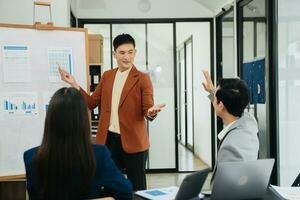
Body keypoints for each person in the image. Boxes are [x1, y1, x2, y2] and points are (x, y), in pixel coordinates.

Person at [58, 33, 165, 190]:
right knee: (109, 186)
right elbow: (91, 102)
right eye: (122, 53)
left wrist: (151, 112)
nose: (126, 57)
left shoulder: (142, 78)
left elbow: (147, 109)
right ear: (114, 54)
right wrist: (73, 83)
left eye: (130, 52)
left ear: (135, 52)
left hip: (134, 142)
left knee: (137, 188)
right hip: (109, 141)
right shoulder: (107, 76)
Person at [23, 87, 132, 200]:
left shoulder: (31, 157)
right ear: (83, 119)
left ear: (50, 119)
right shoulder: (99, 154)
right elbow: (125, 192)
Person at [202, 70, 259, 183]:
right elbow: (225, 102)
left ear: (221, 105)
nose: (214, 101)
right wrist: (213, 92)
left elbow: (225, 187)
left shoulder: (230, 147)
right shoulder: (250, 122)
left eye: (216, 99)